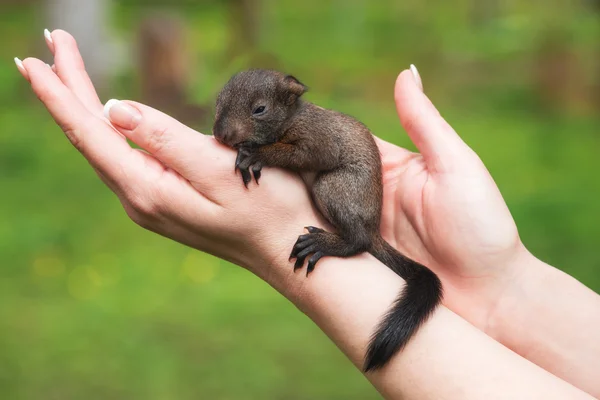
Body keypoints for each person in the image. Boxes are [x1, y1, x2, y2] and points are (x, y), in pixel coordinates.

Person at [15, 29, 600, 400]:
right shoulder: (273, 127)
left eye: (255, 113)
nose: (230, 129)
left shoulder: (311, 130)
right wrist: (504, 283)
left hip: (345, 188)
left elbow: (305, 157)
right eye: (227, 112)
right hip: (341, 190)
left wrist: (270, 218)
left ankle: (347, 243)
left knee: (341, 202)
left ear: (288, 101)